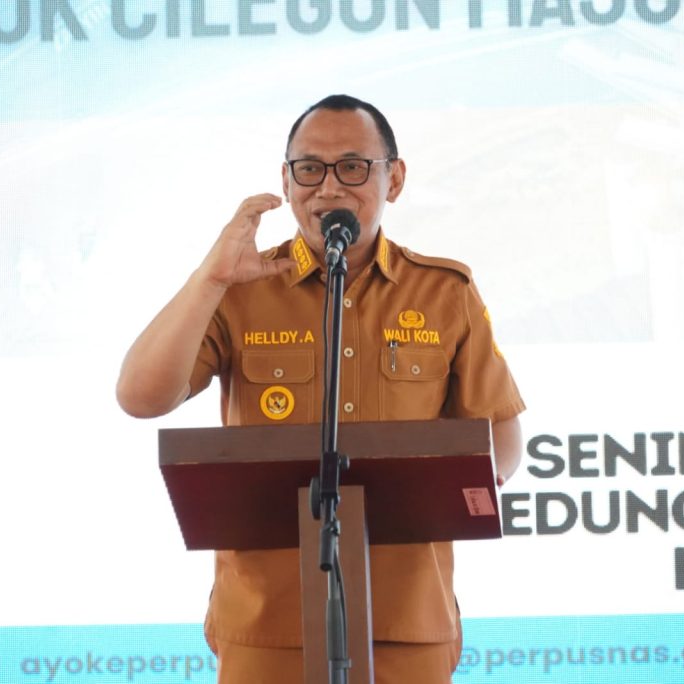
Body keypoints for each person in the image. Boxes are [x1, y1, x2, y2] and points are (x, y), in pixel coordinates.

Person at [117, 94, 525, 683]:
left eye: (353, 167)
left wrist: (452, 492)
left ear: (394, 179)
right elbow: (140, 397)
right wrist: (211, 279)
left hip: (407, 613)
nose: (329, 188)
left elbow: (500, 433)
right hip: (266, 619)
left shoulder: (445, 291)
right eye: (309, 169)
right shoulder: (239, 288)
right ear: (287, 182)